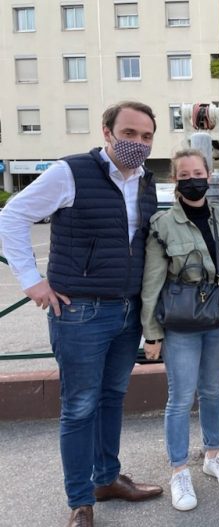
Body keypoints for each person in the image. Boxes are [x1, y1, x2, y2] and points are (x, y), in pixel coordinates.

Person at [0, 101, 163, 527]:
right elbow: (12, 215)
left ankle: (107, 479)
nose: (138, 144)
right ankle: (80, 501)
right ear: (106, 132)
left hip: (127, 311)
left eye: (146, 137)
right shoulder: (70, 172)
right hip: (81, 314)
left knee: (112, 399)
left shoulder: (145, 182)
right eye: (129, 134)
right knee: (79, 406)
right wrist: (31, 281)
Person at [140, 149, 219, 511]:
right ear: (175, 181)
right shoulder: (162, 223)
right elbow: (152, 282)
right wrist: (151, 333)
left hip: (216, 322)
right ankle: (179, 469)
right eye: (184, 175)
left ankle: (213, 455)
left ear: (210, 175)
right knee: (180, 397)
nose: (192, 179)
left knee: (212, 391)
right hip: (181, 325)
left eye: (198, 172)